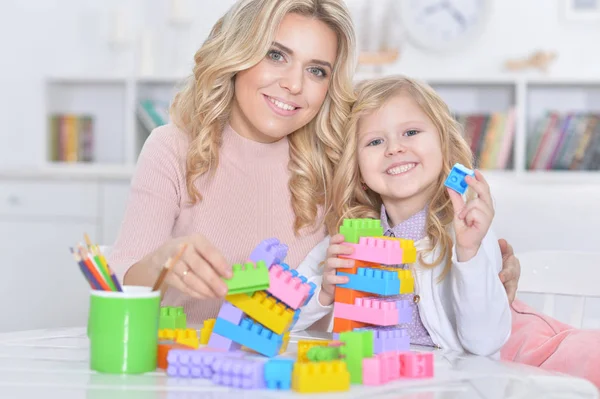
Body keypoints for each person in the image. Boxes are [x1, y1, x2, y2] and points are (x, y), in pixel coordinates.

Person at [107, 0, 522, 326]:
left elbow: (414, 228)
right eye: (275, 54)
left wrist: (477, 269)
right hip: (190, 367)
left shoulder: (340, 159)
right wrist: (159, 264)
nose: (294, 84)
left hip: (312, 377)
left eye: (317, 70)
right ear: (236, 54)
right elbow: (116, 284)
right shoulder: (172, 148)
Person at [295, 76, 512, 356]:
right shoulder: (345, 241)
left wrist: (469, 253)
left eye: (410, 132)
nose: (394, 148)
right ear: (357, 168)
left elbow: (485, 343)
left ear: (444, 145)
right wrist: (324, 293)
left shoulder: (469, 237)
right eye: (374, 141)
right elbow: (282, 321)